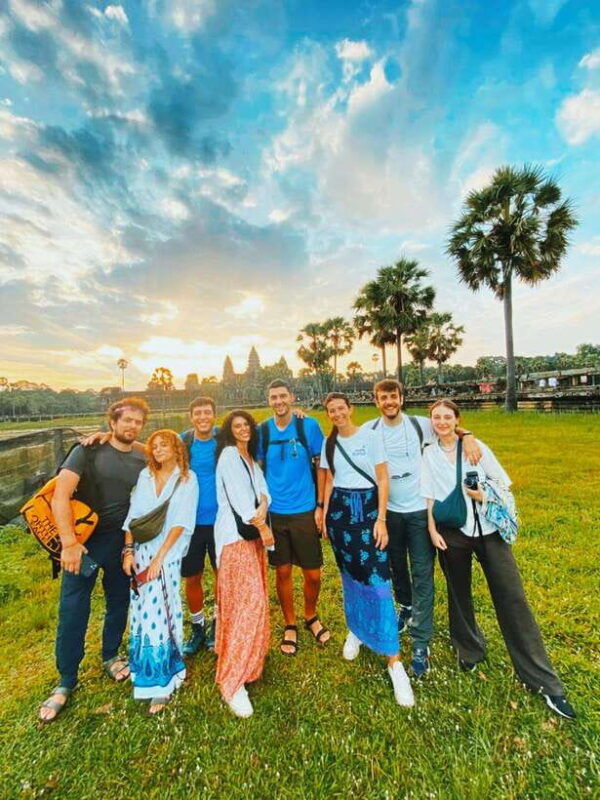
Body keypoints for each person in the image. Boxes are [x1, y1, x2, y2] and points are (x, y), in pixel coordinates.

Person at [421, 399, 576, 720]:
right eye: (436, 417)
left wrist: (483, 494)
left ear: (457, 420)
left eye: (448, 417)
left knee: (512, 598)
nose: (442, 422)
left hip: (489, 530)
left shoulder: (476, 448)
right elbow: (429, 496)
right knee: (458, 593)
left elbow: (503, 484)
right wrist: (432, 529)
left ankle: (543, 680)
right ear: (431, 421)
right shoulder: (429, 452)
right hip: (452, 531)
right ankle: (469, 649)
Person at [39, 399, 149, 723]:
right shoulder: (85, 451)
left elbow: (158, 450)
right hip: (83, 543)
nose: (131, 426)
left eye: (137, 422)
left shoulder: (140, 457)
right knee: (74, 608)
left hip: (118, 541)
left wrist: (116, 435)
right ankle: (65, 680)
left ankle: (111, 655)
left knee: (119, 601)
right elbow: (60, 496)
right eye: (126, 420)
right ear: (112, 421)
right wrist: (69, 544)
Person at [366, 379, 481, 677]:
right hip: (388, 512)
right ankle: (405, 605)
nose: (389, 401)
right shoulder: (371, 431)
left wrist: (467, 436)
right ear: (376, 401)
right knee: (395, 567)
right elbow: (344, 440)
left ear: (401, 399)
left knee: (422, 573)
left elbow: (448, 426)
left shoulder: (420, 425)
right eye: (383, 397)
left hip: (419, 511)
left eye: (394, 396)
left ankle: (420, 642)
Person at [321, 392, 414, 707]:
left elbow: (382, 478)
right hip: (339, 515)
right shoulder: (329, 443)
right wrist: (323, 510)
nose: (337, 414)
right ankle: (356, 629)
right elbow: (331, 479)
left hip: (368, 511)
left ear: (350, 409)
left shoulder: (370, 437)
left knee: (377, 582)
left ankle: (393, 658)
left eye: (340, 409)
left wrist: (382, 519)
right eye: (331, 410)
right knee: (350, 576)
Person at [122, 430, 198, 714]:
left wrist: (160, 559)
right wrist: (128, 551)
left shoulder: (187, 480)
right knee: (141, 609)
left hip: (166, 554)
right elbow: (133, 516)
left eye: (164, 445)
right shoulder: (145, 477)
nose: (158, 450)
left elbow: (181, 523)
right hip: (140, 551)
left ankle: (163, 679)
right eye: (154, 446)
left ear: (177, 448)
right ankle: (143, 665)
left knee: (161, 611)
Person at [258, 379, 330, 656]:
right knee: (283, 571)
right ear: (269, 401)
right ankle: (290, 623)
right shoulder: (262, 431)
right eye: (273, 397)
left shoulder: (307, 425)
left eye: (282, 396)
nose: (278, 402)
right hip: (276, 512)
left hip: (304, 509)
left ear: (291, 397)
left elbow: (322, 465)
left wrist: (321, 505)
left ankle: (310, 615)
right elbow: (253, 463)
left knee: (313, 573)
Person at [214, 410, 274, 718]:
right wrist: (261, 522)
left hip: (252, 537)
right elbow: (240, 502)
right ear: (229, 431)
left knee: (253, 601)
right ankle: (232, 680)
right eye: (236, 426)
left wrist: (263, 506)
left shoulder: (249, 458)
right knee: (247, 604)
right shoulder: (227, 456)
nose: (243, 430)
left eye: (246, 425)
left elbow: (265, 492)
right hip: (235, 539)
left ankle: (249, 660)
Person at [179, 397, 219, 655]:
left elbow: (253, 430)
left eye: (207, 413)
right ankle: (197, 627)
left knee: (221, 575)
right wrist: (107, 436)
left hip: (220, 522)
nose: (203, 417)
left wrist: (295, 413)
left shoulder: (224, 439)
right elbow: (153, 448)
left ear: (214, 416)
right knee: (192, 576)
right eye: (198, 413)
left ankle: (218, 622)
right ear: (191, 417)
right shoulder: (183, 442)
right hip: (189, 524)